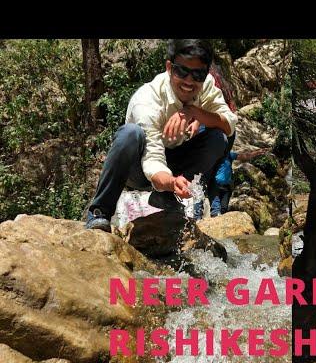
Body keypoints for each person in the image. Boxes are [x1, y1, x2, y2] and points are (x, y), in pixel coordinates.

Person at [85, 39, 237, 232]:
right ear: (169, 68)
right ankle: (100, 211)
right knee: (129, 134)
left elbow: (230, 123)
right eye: (182, 71)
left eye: (197, 73)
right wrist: (172, 183)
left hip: (175, 159)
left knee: (218, 138)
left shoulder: (206, 86)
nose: (189, 81)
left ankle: (165, 197)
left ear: (206, 73)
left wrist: (194, 112)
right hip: (139, 168)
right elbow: (152, 161)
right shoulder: (147, 101)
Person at [194, 147, 269, 219]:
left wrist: (256, 153)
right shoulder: (213, 156)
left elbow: (243, 157)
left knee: (224, 208)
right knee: (215, 208)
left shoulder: (229, 154)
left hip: (226, 186)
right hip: (214, 185)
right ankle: (203, 220)